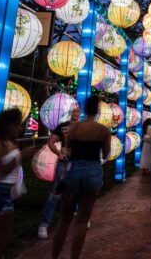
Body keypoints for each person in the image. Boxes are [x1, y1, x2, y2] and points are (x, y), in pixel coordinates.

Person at [51, 95, 111, 259]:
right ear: (98, 110)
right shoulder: (103, 130)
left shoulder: (74, 128)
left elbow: (68, 148)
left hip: (74, 170)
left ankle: (54, 256)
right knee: (83, 220)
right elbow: (105, 154)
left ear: (84, 109)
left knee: (64, 219)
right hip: (92, 172)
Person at [0, 109, 39, 259]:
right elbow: (0, 173)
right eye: (17, 125)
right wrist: (21, 157)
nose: (20, 128)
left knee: (4, 241)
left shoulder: (12, 143)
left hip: (9, 193)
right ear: (7, 125)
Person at [38, 105, 81, 239]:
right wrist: (58, 153)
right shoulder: (63, 126)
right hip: (64, 162)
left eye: (78, 110)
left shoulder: (84, 126)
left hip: (78, 162)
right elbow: (51, 142)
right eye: (73, 110)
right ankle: (44, 224)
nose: (75, 113)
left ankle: (80, 217)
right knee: (56, 191)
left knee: (78, 190)